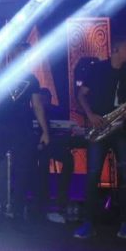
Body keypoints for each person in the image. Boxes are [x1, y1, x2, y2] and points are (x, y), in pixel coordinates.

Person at [73, 35, 126, 241]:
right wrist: (91, 115)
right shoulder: (98, 69)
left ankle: (125, 224)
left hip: (122, 129)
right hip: (100, 126)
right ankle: (88, 222)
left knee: (125, 177)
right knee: (93, 176)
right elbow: (81, 95)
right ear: (116, 49)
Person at [0, 43, 50, 230]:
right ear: (11, 54)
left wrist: (45, 131)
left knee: (22, 173)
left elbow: (37, 105)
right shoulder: (0, 74)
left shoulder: (31, 79)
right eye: (18, 53)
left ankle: (17, 213)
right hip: (0, 129)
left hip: (23, 129)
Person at [34, 88, 74, 224]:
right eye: (42, 98)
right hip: (40, 146)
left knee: (69, 159)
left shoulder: (58, 110)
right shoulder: (34, 111)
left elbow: (66, 128)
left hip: (56, 145)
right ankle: (42, 198)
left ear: (51, 98)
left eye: (47, 98)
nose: (45, 100)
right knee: (43, 162)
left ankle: (61, 196)